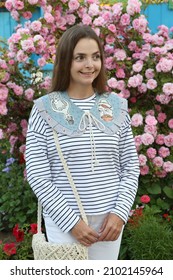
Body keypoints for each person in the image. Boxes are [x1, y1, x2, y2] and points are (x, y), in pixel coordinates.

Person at [25, 24, 140, 260]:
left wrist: (119, 214)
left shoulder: (116, 107)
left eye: (95, 57)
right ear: (66, 61)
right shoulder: (44, 110)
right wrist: (71, 222)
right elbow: (37, 174)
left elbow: (130, 168)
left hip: (109, 225)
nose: (90, 65)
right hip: (65, 225)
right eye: (80, 57)